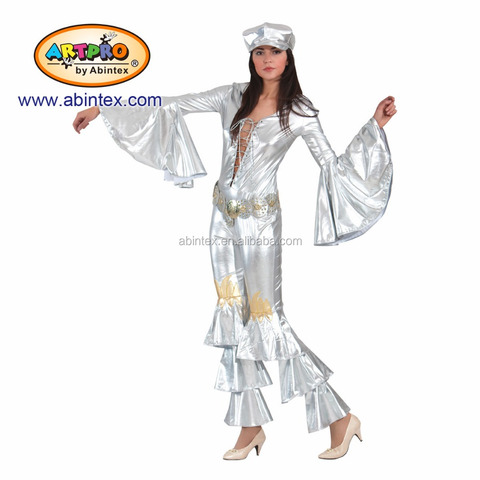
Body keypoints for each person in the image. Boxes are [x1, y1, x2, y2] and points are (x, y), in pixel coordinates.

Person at [73, 22, 396, 460]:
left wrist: (374, 126)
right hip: (221, 218)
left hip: (261, 224)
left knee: (266, 317)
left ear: (288, 58)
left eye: (275, 52)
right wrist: (104, 104)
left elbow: (332, 165)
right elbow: (173, 103)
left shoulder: (299, 111)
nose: (267, 59)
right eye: (260, 52)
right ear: (252, 58)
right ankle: (250, 426)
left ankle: (339, 416)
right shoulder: (232, 96)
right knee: (233, 314)